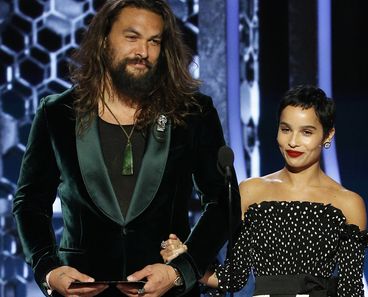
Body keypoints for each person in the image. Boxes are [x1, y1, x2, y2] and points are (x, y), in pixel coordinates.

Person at [12, 0, 241, 296]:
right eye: (131, 37)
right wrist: (48, 270)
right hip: (83, 290)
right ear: (105, 39)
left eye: (154, 41)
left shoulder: (193, 112)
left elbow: (225, 203)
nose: (142, 52)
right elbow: (30, 203)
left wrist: (180, 271)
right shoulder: (58, 113)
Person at [161, 85, 368, 297]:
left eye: (306, 132)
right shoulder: (251, 191)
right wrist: (186, 260)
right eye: (286, 129)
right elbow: (234, 276)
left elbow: (350, 289)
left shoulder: (348, 203)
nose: (293, 142)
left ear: (328, 135)